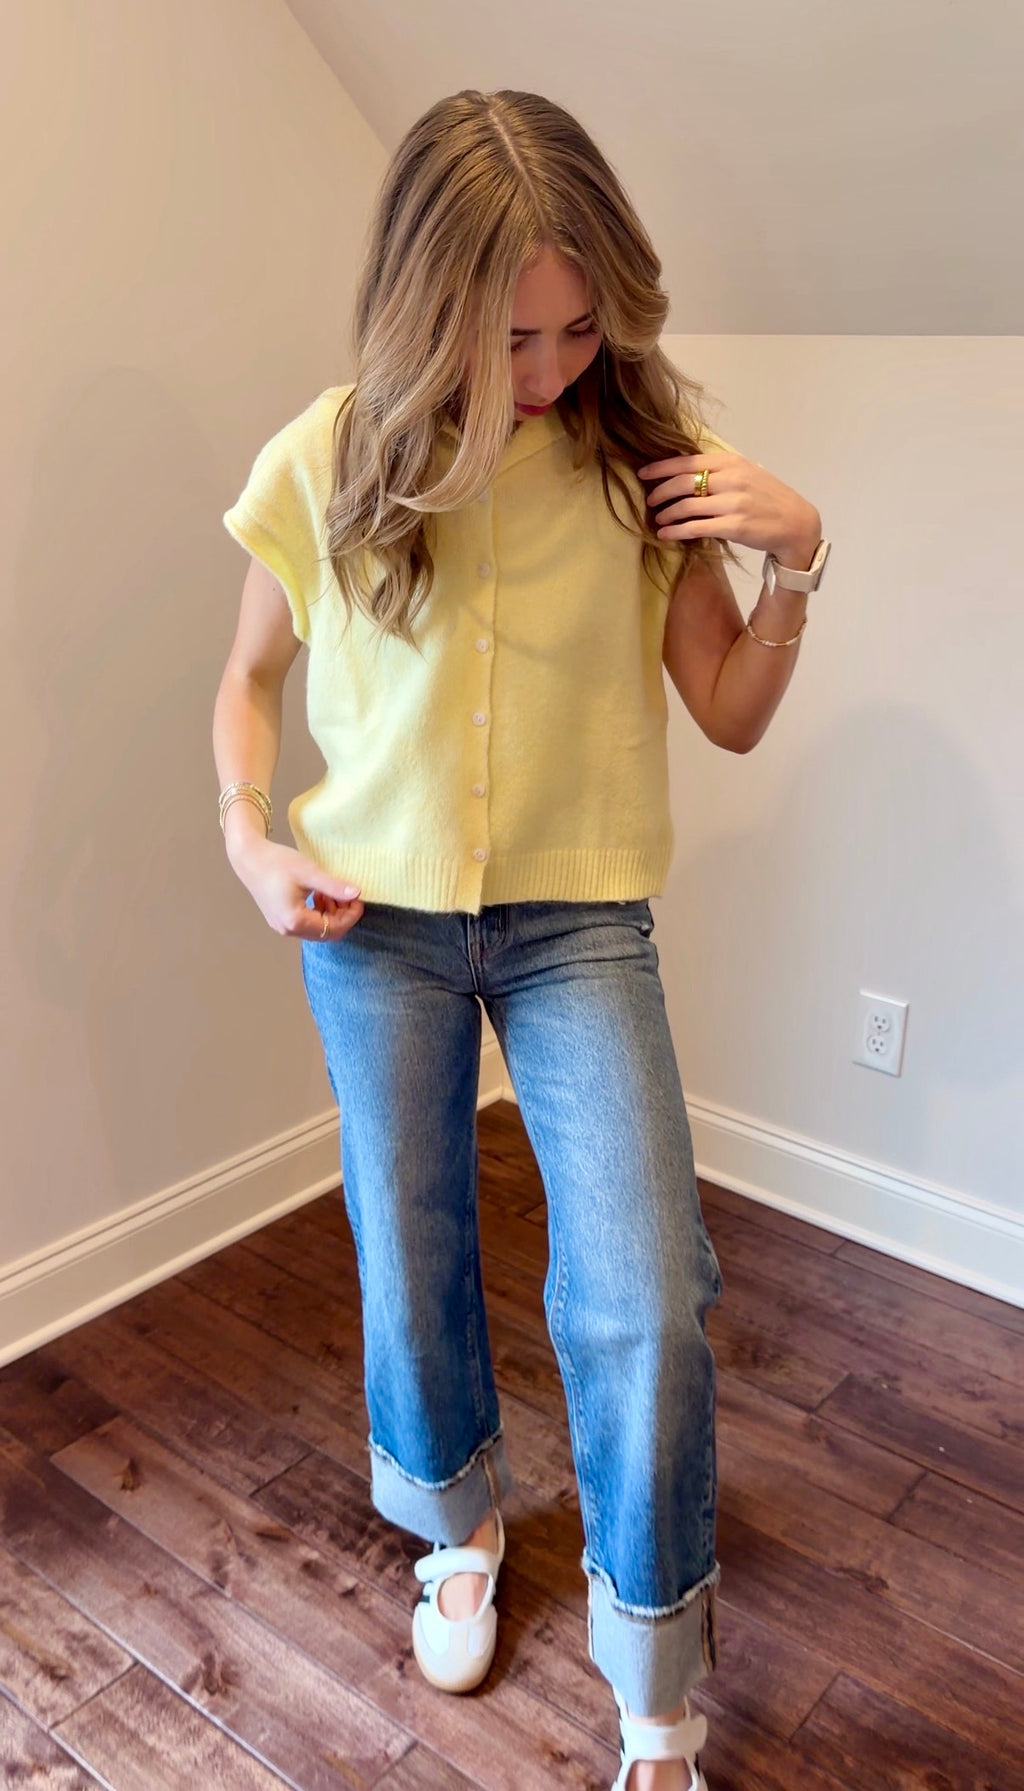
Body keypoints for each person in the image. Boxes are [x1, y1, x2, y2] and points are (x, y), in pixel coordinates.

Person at [213, 88, 828, 1791]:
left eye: (580, 327)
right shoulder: (331, 456)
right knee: (408, 1251)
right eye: (513, 336)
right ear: (429, 312)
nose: (552, 366)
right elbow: (247, 683)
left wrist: (797, 565)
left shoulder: (646, 459)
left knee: (647, 1295)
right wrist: (249, 842)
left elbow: (729, 711)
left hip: (578, 924)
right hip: (372, 922)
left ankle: (658, 1683)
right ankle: (459, 1528)